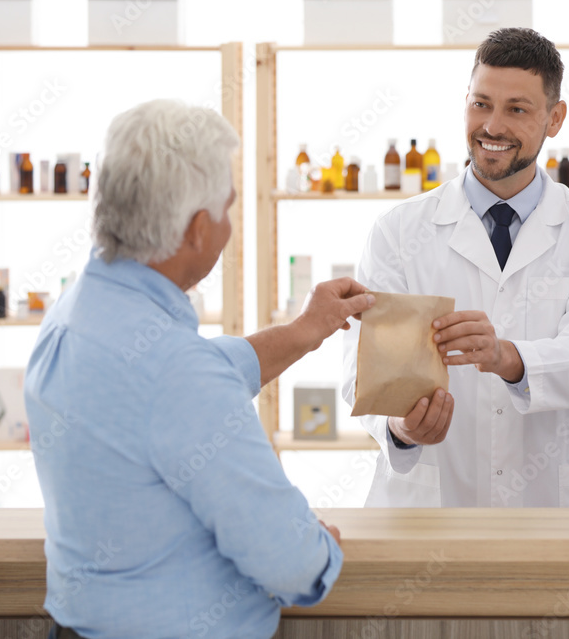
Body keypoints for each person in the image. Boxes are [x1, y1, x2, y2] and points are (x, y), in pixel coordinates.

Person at [25, 99, 374, 639]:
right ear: (195, 231)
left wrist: (306, 329)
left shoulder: (73, 315)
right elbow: (292, 564)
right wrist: (318, 546)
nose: (231, 224)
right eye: (229, 210)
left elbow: (185, 382)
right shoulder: (176, 371)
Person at [342, 28, 569, 509]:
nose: (492, 127)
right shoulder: (398, 230)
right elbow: (362, 367)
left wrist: (507, 357)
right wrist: (400, 427)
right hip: (429, 505)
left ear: (555, 118)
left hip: (549, 505)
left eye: (516, 109)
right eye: (481, 104)